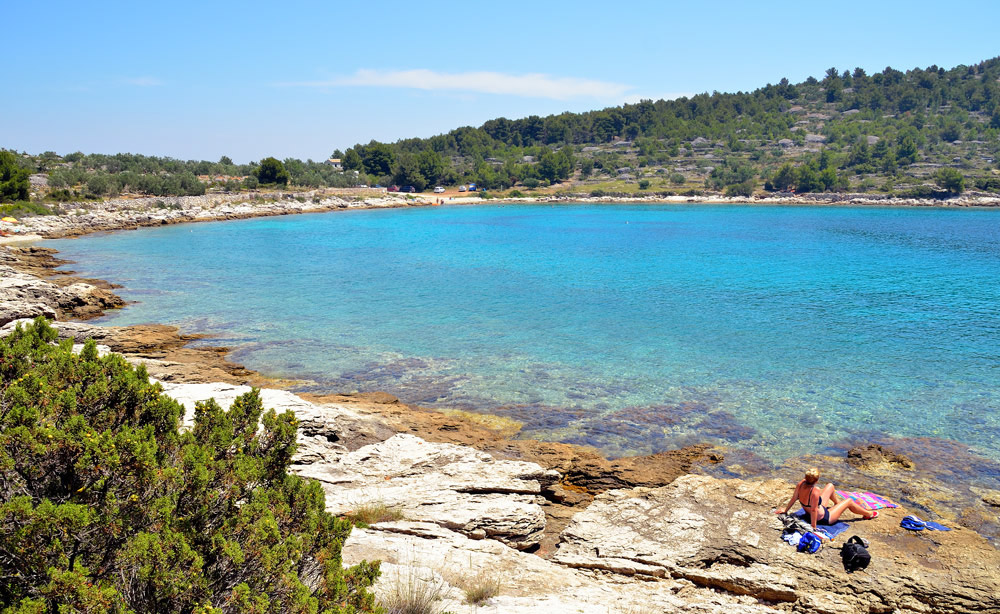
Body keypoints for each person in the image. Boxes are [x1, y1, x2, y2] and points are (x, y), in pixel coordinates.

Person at [774, 468, 877, 540]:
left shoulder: (800, 484)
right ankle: (868, 514)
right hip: (824, 518)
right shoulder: (814, 490)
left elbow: (794, 498)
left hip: (814, 510)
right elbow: (814, 510)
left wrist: (786, 510)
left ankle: (838, 505)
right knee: (849, 501)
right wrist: (813, 526)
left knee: (830, 486)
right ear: (817, 480)